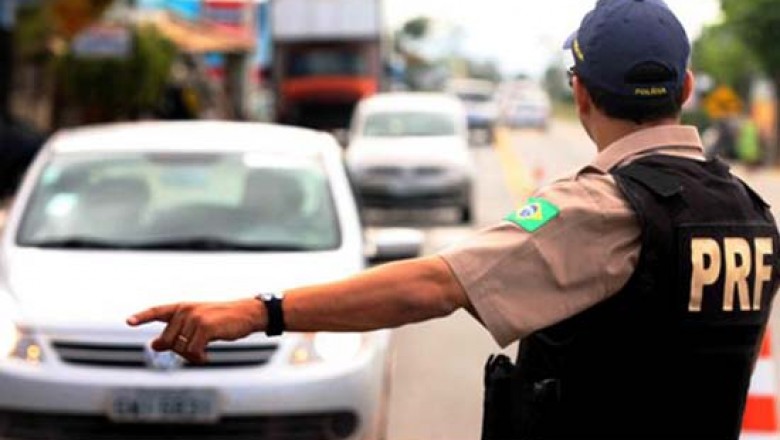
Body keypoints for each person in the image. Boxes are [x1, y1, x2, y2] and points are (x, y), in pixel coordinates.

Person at [128, 1, 780, 439]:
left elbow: (433, 286)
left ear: (578, 91)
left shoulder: (600, 209)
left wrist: (257, 311)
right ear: (686, 88)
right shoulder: (747, 210)